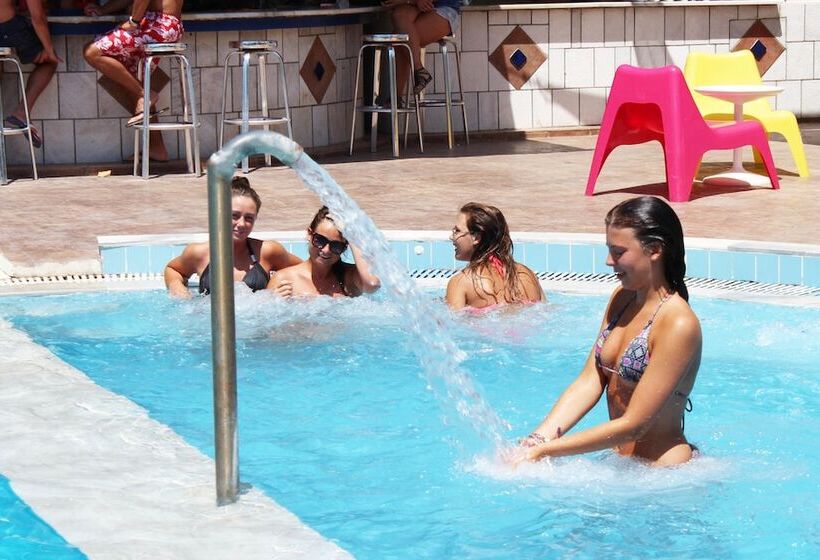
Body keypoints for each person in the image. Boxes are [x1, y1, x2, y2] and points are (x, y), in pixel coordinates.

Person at [515, 196, 702, 467]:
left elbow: (635, 425)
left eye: (618, 252)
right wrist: (536, 440)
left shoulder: (678, 323)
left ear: (654, 250)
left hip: (663, 471)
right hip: (620, 462)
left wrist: (547, 451)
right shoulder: (622, 298)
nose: (608, 261)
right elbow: (589, 381)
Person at [164, 177, 301, 298]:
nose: (241, 224)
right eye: (234, 216)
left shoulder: (267, 251)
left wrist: (275, 288)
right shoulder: (199, 253)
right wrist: (175, 285)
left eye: (249, 218)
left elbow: (305, 270)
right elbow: (173, 269)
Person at [83, 0, 183, 162]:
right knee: (130, 76)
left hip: (157, 24)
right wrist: (103, 9)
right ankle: (157, 148)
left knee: (92, 52)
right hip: (166, 25)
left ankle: (145, 94)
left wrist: (133, 21)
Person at [445, 202, 544, 311]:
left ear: (476, 238)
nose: (452, 237)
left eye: (457, 231)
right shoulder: (529, 275)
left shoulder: (461, 283)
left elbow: (450, 320)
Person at [267, 206, 380, 298]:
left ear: (345, 247)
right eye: (320, 240)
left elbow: (372, 284)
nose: (326, 250)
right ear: (309, 234)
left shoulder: (349, 279)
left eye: (336, 246)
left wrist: (352, 237)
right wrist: (274, 303)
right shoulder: (284, 280)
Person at [0, 0, 59, 148]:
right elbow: (38, 18)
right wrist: (49, 50)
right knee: (48, 62)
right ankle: (21, 113)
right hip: (7, 27)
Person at [382, 0, 461, 97]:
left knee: (402, 38)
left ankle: (395, 98)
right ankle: (419, 71)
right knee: (399, 17)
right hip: (414, 5)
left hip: (443, 6)